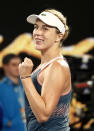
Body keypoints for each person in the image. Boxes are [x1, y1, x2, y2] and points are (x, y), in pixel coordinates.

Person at [19, 8, 72, 131]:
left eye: (45, 28)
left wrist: (25, 77)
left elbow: (43, 116)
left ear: (59, 36)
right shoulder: (45, 66)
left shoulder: (57, 67)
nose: (37, 32)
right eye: (36, 27)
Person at [0, 54, 26, 131]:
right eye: (14, 65)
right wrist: (7, 123)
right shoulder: (1, 87)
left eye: (19, 64)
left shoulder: (27, 85)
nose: (18, 67)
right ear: (5, 66)